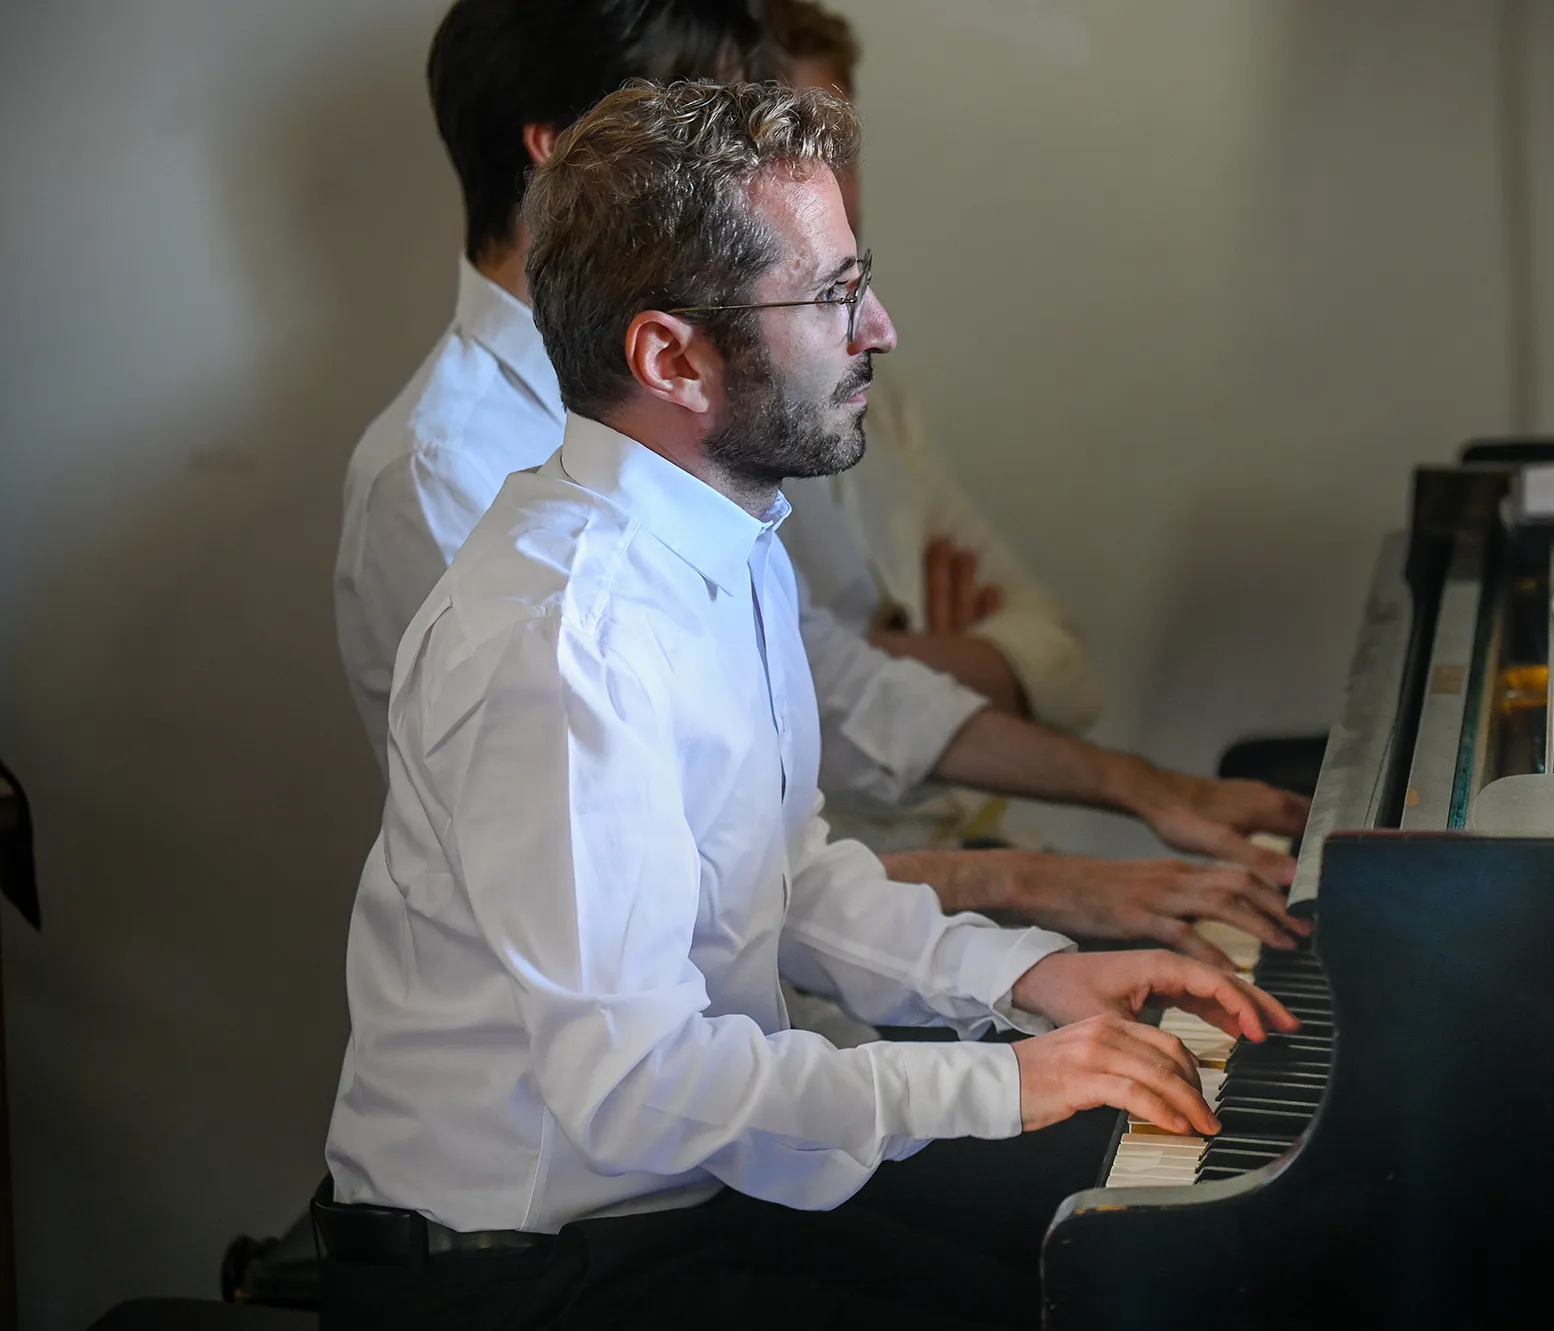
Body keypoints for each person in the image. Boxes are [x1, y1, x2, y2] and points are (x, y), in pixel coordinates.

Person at [315, 78, 1297, 1329]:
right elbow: (633, 1088)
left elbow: (780, 884)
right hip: (528, 1265)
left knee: (1108, 1247)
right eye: (831, 293)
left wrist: (1028, 981)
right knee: (1082, 1288)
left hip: (665, 1187)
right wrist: (1000, 1088)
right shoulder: (564, 642)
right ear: (670, 355)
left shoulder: (724, 529)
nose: (878, 325)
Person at [333, 0, 1313, 976]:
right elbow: (669, 915)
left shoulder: (703, 393)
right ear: (553, 155)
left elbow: (832, 683)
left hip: (800, 1008)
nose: (743, 145)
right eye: (698, 112)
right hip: (636, 1069)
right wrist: (1028, 888)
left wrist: (1140, 788)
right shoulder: (441, 471)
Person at [767, 0, 1102, 859]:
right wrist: (947, 656)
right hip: (850, 904)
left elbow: (1063, 659)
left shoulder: (883, 391)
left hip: (974, 847)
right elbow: (793, 701)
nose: (833, 188)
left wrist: (900, 654)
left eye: (840, 147)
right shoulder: (683, 427)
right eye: (797, 148)